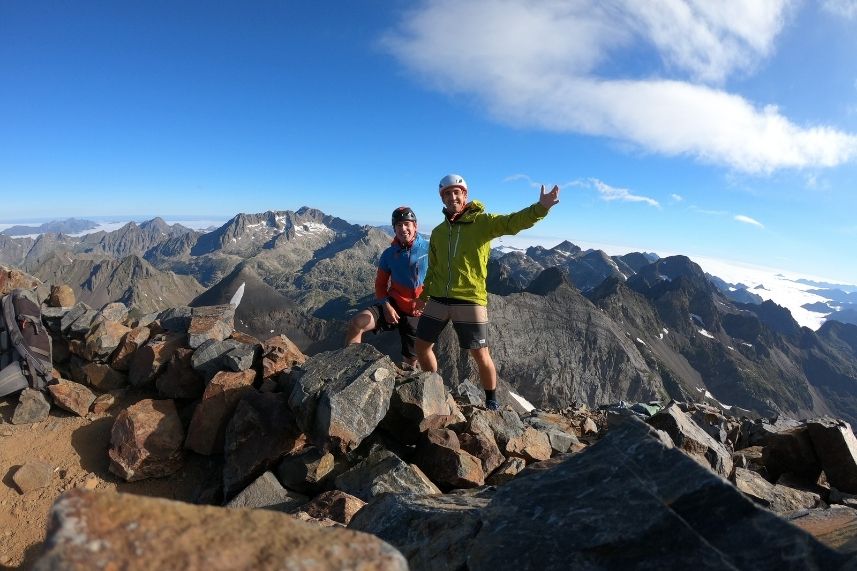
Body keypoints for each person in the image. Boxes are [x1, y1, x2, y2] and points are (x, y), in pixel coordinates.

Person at [415, 174, 560, 410]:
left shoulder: (482, 222)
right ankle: (433, 389)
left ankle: (491, 401)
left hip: (470, 297)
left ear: (465, 195)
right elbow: (434, 267)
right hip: (439, 296)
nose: (452, 197)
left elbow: (512, 222)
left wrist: (541, 208)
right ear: (442, 199)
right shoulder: (439, 232)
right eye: (447, 194)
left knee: (480, 353)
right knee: (421, 346)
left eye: (456, 192)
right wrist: (423, 296)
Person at [345, 206, 428, 368]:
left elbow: (440, 279)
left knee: (410, 363)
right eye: (399, 225)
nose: (403, 229)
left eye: (407, 224)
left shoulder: (429, 250)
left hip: (417, 312)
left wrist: (425, 300)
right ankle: (348, 369)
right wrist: (386, 305)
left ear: (415, 226)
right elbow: (380, 284)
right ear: (394, 228)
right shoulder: (389, 254)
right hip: (393, 304)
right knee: (357, 323)